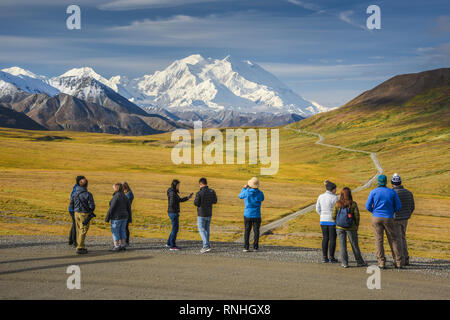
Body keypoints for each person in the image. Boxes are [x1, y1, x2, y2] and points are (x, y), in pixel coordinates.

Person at [366, 174, 403, 269]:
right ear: (386, 182)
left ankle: (381, 262)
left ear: (378, 182)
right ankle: (398, 261)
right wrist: (391, 211)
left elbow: (368, 206)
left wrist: (374, 211)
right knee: (393, 239)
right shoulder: (391, 192)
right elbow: (398, 206)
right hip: (388, 217)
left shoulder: (373, 192)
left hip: (376, 217)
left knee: (379, 240)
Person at [332, 187, 367, 268]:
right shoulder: (353, 204)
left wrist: (337, 223)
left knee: (342, 245)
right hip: (351, 227)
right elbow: (357, 216)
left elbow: (333, 215)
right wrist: (356, 225)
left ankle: (344, 263)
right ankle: (359, 261)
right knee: (354, 244)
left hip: (340, 228)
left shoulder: (337, 204)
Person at [387, 173, 415, 266]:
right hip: (405, 219)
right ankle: (406, 258)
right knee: (402, 238)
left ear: (392, 183)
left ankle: (399, 260)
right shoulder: (408, 193)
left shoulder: (392, 193)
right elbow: (412, 206)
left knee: (396, 239)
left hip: (395, 218)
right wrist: (407, 214)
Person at [69, 177, 95, 254]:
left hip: (76, 213)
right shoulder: (88, 194)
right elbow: (92, 206)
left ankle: (80, 245)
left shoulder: (74, 193)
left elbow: (71, 204)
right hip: (84, 214)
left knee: (78, 230)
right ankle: (80, 247)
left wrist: (75, 210)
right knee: (83, 230)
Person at [239, 177, 264, 252]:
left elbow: (240, 196)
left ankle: (246, 247)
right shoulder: (260, 193)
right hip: (257, 214)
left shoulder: (246, 192)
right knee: (256, 231)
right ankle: (255, 247)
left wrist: (244, 188)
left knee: (247, 231)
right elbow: (262, 199)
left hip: (247, 214)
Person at [316, 180, 338, 263]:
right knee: (332, 239)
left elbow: (317, 208)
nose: (336, 190)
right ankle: (331, 257)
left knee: (325, 238)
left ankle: (324, 257)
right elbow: (337, 210)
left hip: (323, 220)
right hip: (332, 221)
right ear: (332, 189)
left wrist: (322, 215)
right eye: (335, 189)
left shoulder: (320, 196)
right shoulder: (335, 198)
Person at [167, 179, 193, 251]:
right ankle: (172, 246)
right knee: (175, 229)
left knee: (174, 228)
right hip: (173, 213)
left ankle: (169, 243)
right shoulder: (172, 193)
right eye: (178, 185)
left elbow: (179, 200)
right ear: (175, 185)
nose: (179, 187)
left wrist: (187, 197)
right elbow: (172, 203)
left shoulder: (172, 192)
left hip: (172, 212)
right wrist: (176, 212)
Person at [105, 183, 132, 251]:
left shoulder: (116, 196)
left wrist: (107, 217)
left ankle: (116, 246)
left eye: (114, 188)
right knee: (122, 231)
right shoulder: (125, 196)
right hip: (124, 217)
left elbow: (112, 208)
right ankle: (123, 245)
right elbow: (129, 208)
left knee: (115, 231)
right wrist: (129, 218)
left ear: (117, 188)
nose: (113, 189)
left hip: (116, 217)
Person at [194, 177, 217, 253]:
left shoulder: (199, 193)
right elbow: (215, 201)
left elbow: (196, 203)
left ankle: (206, 245)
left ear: (200, 184)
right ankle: (207, 245)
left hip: (201, 214)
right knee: (207, 229)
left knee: (201, 229)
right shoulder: (212, 191)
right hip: (209, 213)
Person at [68, 175, 85, 247]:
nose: (86, 181)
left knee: (74, 224)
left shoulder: (77, 187)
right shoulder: (76, 189)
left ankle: (71, 240)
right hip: (74, 209)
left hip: (74, 209)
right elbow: (73, 199)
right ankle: (75, 241)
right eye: (84, 179)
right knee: (76, 225)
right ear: (80, 181)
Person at [123, 182, 134, 246]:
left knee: (125, 228)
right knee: (125, 227)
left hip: (126, 212)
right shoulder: (127, 193)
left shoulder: (129, 194)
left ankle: (126, 241)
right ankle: (125, 241)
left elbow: (126, 204)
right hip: (125, 212)